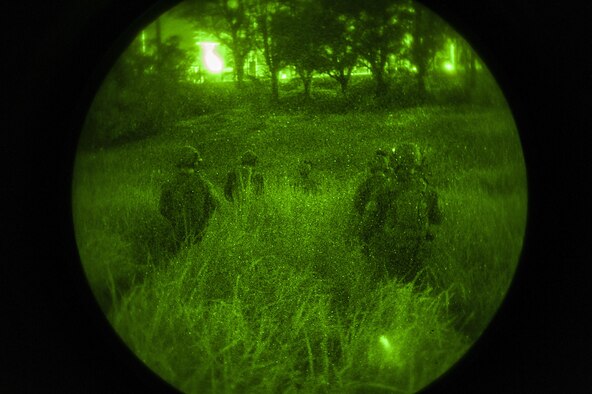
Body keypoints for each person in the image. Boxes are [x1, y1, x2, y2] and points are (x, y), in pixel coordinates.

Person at [373, 142, 443, 281]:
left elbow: (371, 222)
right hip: (418, 253)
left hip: (391, 252)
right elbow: (436, 221)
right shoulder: (428, 191)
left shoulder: (385, 189)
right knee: (417, 287)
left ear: (395, 162)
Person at [159, 146, 218, 247]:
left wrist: (176, 221)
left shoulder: (169, 184)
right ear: (195, 163)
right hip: (199, 234)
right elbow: (213, 205)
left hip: (176, 234)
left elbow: (163, 208)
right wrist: (203, 224)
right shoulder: (203, 183)